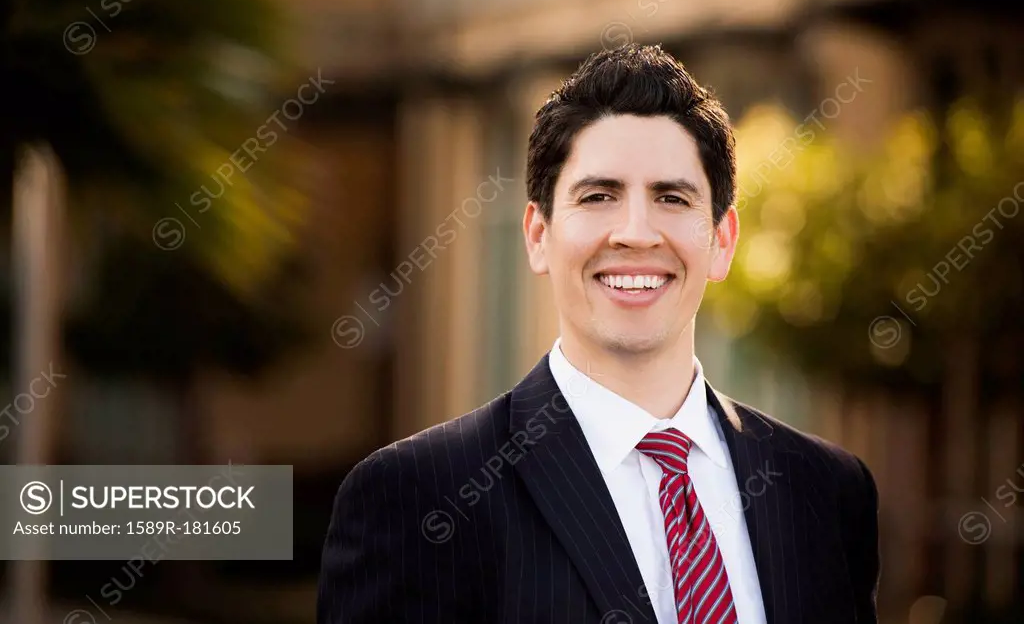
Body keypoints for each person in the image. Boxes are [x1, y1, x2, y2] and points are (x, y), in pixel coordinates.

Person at [317, 43, 880, 624]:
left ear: (722, 241)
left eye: (671, 197)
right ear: (538, 234)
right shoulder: (416, 498)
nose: (636, 232)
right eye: (598, 196)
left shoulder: (827, 491)